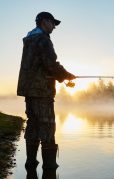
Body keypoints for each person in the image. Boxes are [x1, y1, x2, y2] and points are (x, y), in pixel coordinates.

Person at [17, 12, 75, 170]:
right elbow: (51, 64)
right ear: (44, 22)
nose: (54, 27)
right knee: (48, 126)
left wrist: (62, 76)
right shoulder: (43, 39)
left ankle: (31, 163)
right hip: (42, 91)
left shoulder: (29, 40)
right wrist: (67, 75)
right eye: (53, 23)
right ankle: (50, 167)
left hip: (29, 90)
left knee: (33, 124)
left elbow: (40, 65)